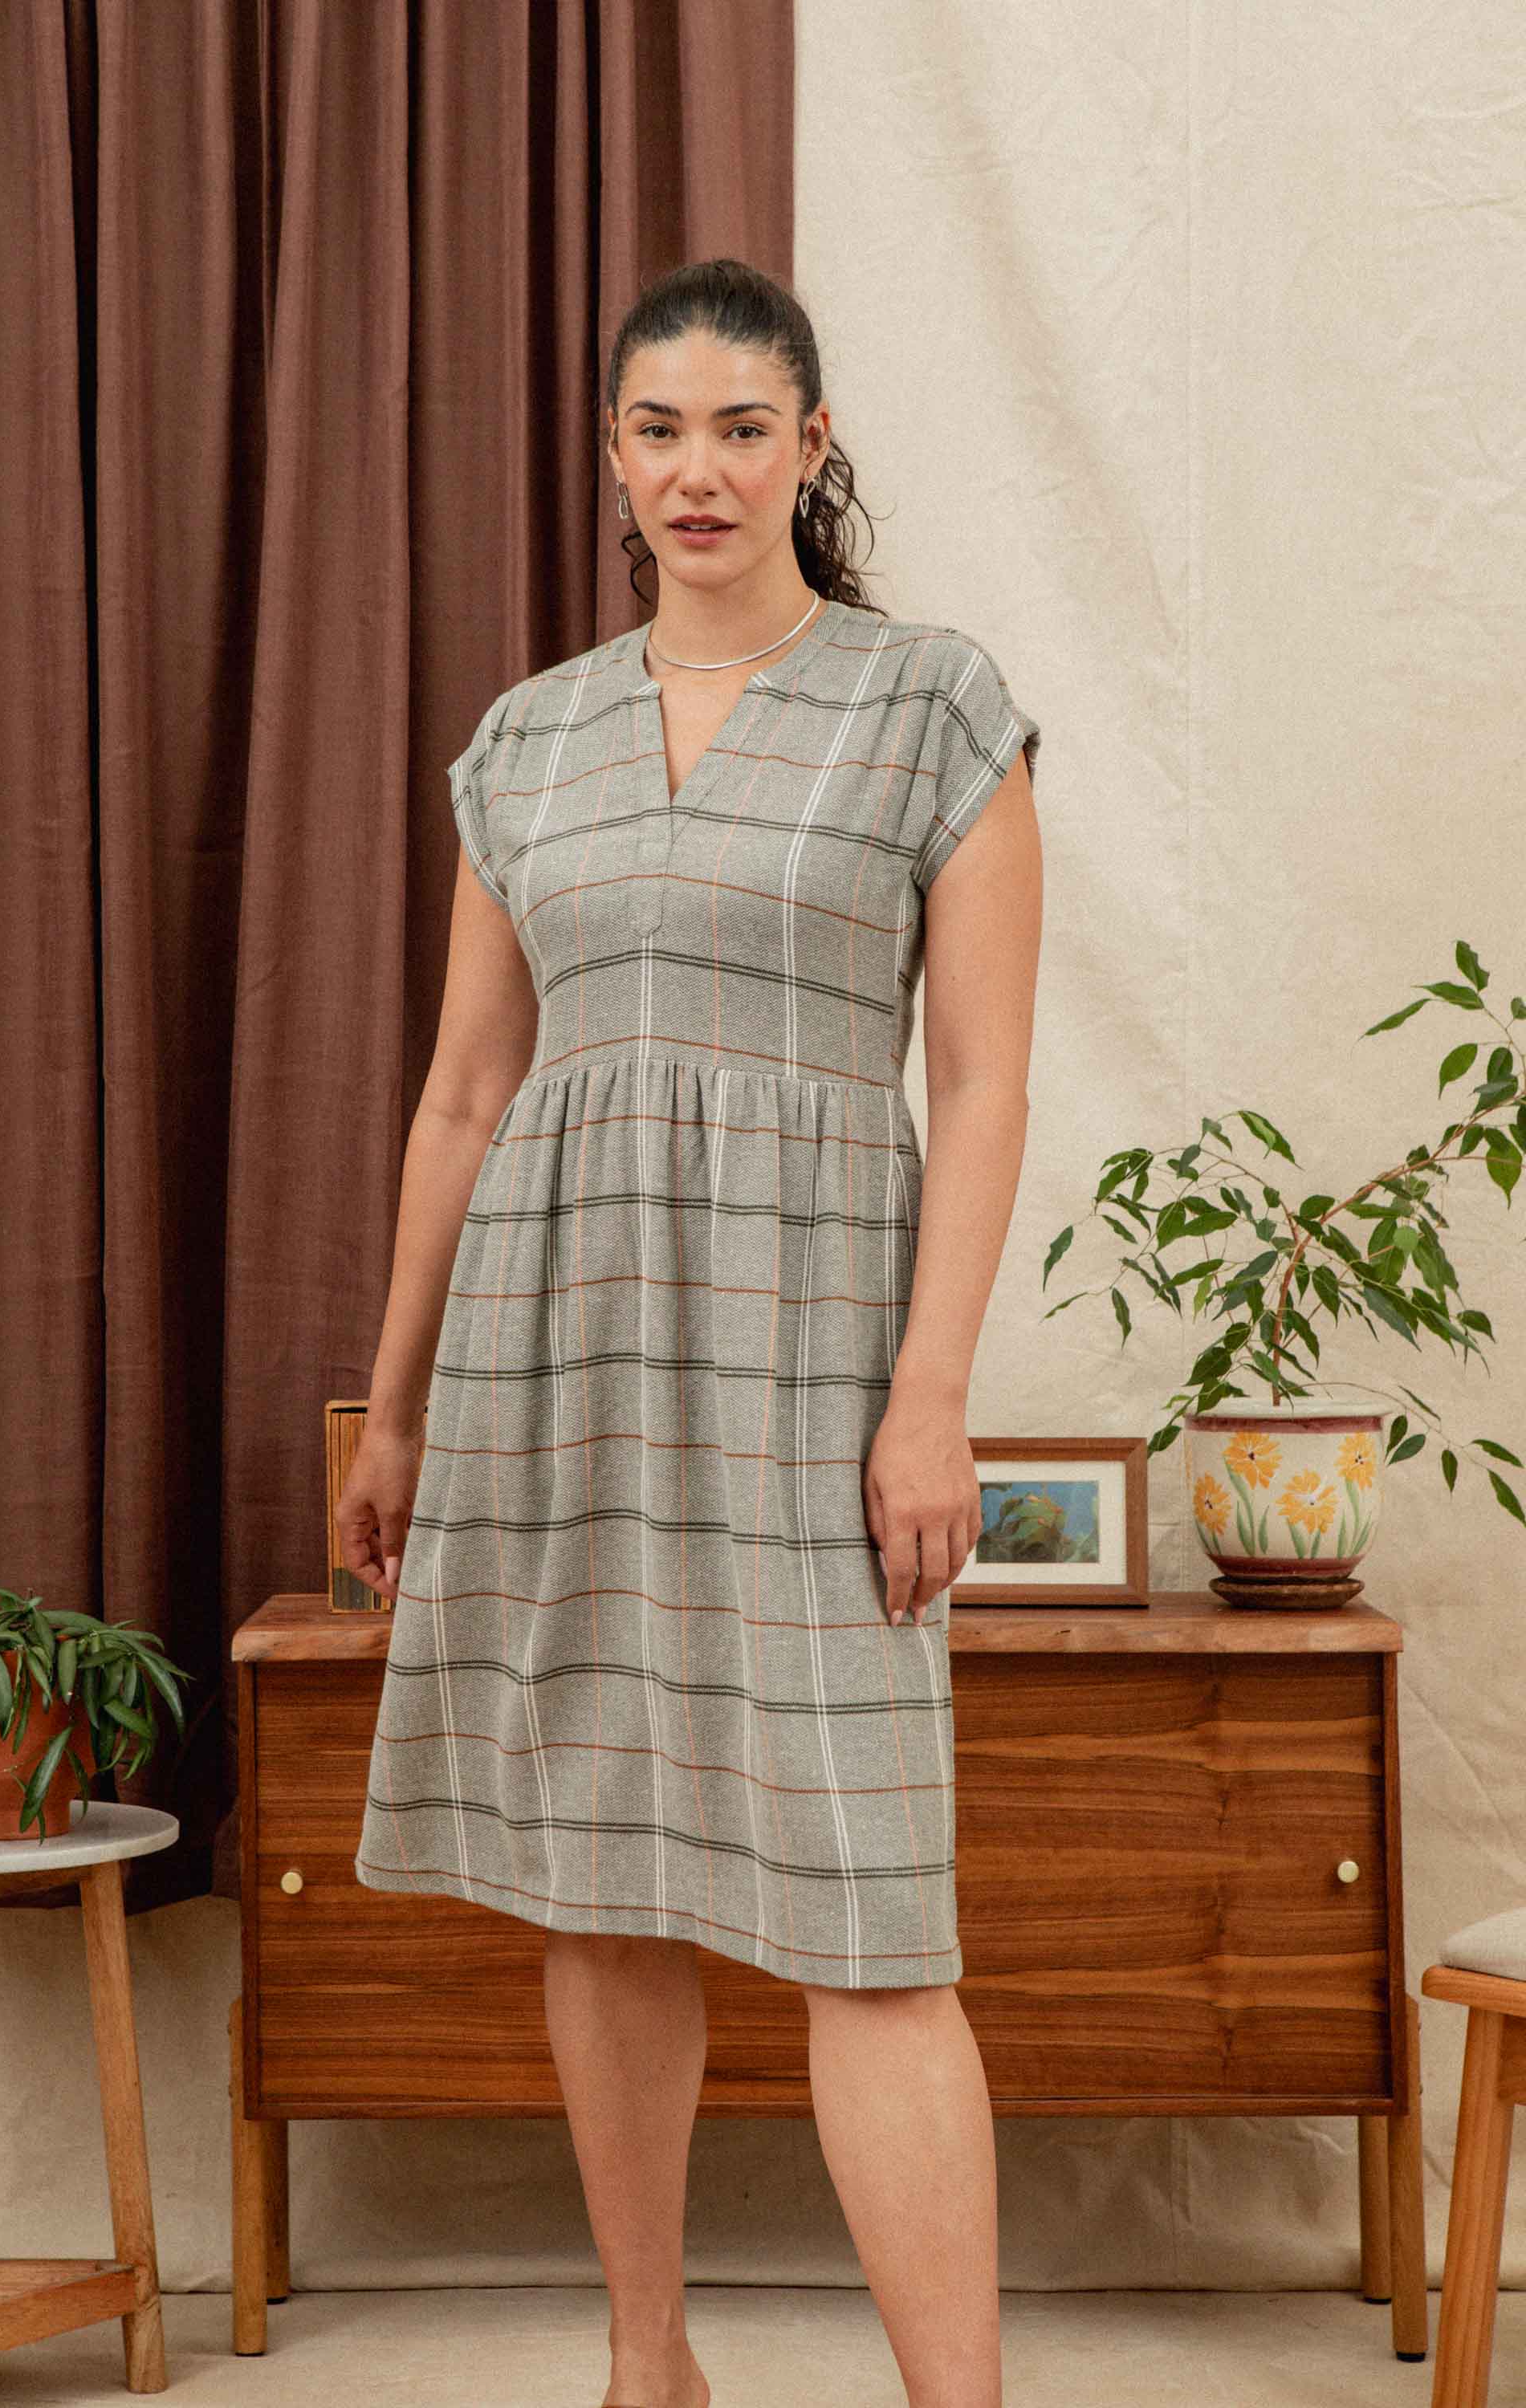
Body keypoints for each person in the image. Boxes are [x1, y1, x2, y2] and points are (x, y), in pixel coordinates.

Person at [344, 257, 1043, 2408]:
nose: (699, 469)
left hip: (820, 1354)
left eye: (745, 426)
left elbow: (983, 1081)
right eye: (661, 428)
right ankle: (651, 2362)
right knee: (604, 1877)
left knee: (870, 1907)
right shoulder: (526, 740)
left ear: (813, 447)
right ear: (617, 459)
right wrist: (397, 1407)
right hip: (559, 1363)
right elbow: (465, 1091)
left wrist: (932, 1402)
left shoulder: (931, 703)